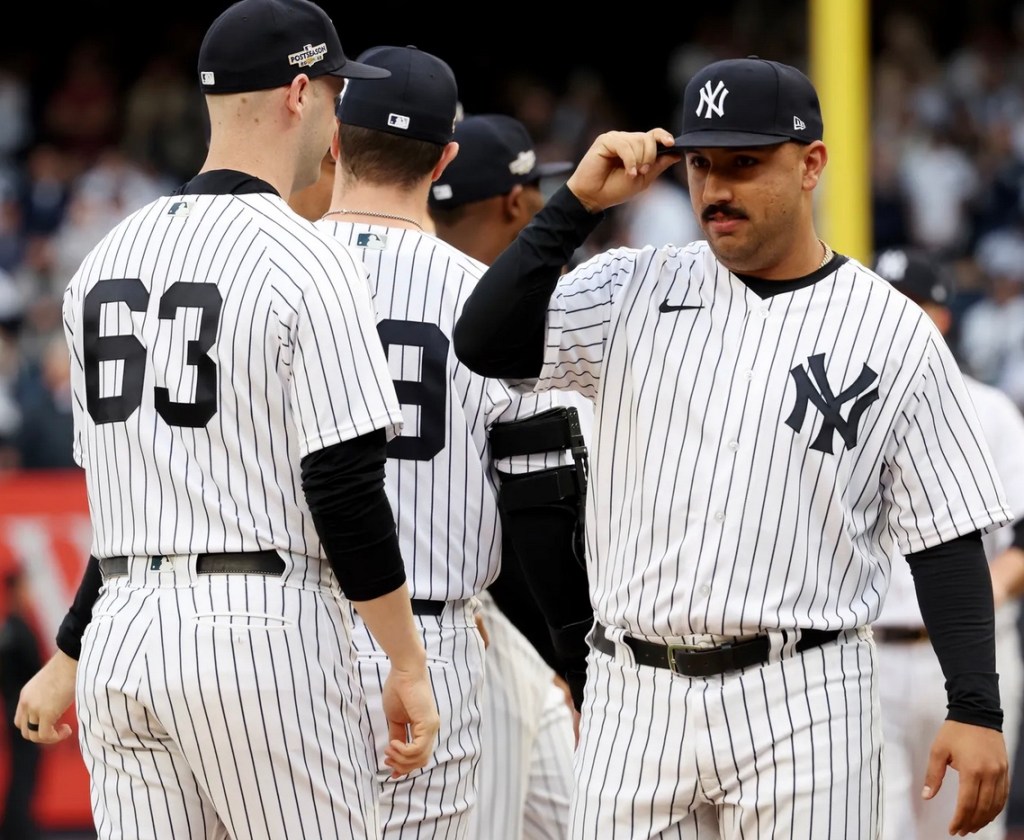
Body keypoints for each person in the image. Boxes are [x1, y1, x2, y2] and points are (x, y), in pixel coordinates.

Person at [452, 56, 1013, 839]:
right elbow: (483, 342)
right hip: (635, 691)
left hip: (806, 692)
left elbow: (945, 536)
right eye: (702, 164)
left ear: (811, 164)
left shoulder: (890, 329)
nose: (716, 188)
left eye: (744, 164)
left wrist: (976, 705)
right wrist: (574, 205)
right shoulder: (629, 285)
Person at [13, 2, 441, 837]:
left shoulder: (104, 258)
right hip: (258, 635)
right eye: (334, 91)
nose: (336, 114)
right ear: (298, 94)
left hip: (122, 637)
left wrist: (70, 653)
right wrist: (406, 660)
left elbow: (125, 506)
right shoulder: (308, 256)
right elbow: (343, 486)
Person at [315, 46, 589, 838]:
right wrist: (574, 659)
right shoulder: (487, 301)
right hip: (434, 633)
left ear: (334, 139)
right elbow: (542, 507)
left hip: (287, 626)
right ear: (443, 158)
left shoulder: (271, 271)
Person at [429, 112, 581, 840]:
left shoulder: (365, 296)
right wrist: (570, 656)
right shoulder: (526, 326)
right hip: (475, 623)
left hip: (414, 611)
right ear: (516, 202)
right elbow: (533, 513)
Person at [871, 246, 1024, 840]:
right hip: (865, 657)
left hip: (964, 660)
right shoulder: (840, 407)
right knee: (871, 828)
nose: (896, 315)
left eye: (911, 303)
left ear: (942, 316)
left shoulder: (989, 410)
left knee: (965, 831)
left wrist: (969, 609)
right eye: (885, 302)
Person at [0, 567, 43, 840]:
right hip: (22, 713)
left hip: (18, 710)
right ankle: (17, 829)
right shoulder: (15, 630)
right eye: (26, 587)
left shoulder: (12, 629)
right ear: (15, 590)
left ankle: (16, 826)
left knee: (24, 771)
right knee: (24, 772)